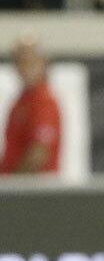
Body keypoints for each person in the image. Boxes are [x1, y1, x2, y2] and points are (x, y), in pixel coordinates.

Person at [1, 36, 61, 175]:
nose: (25, 67)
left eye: (30, 61)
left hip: (34, 190)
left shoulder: (44, 101)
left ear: (43, 63)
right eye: (20, 62)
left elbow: (38, 155)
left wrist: (12, 186)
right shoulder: (21, 101)